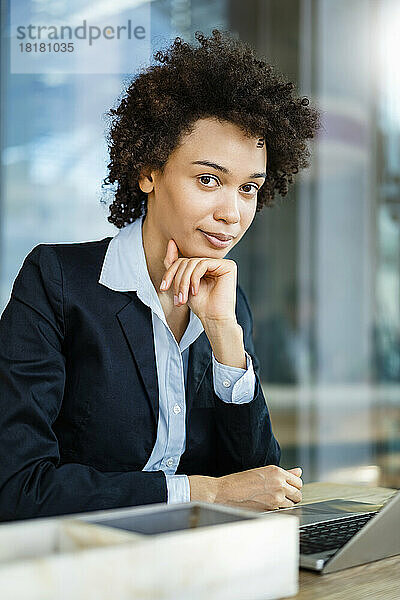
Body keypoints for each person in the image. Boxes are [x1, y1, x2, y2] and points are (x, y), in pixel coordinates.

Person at [0, 29, 321, 522]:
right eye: (208, 180)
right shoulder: (58, 282)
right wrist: (204, 492)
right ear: (149, 171)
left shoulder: (227, 304)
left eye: (249, 189)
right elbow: (18, 487)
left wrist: (225, 340)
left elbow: (256, 487)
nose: (231, 213)